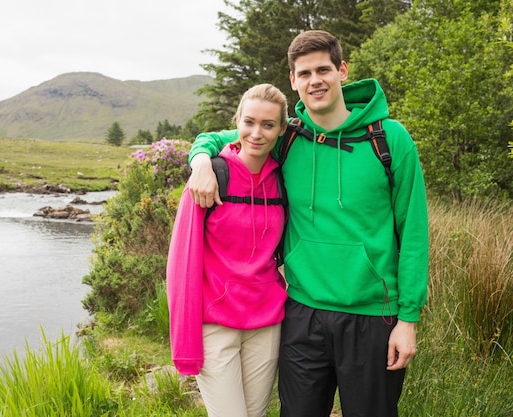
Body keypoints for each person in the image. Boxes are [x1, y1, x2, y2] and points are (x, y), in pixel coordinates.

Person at [186, 30, 429, 417]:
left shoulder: (390, 140)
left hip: (372, 316)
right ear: (293, 81)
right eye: (304, 73)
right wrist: (200, 161)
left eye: (323, 69)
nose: (315, 80)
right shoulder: (286, 136)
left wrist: (408, 319)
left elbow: (414, 233)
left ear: (342, 71)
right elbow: (222, 137)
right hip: (301, 313)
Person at [167, 83, 290, 417]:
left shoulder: (284, 174)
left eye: (268, 125)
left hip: (266, 322)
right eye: (248, 122)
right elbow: (182, 265)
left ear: (282, 129)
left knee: (256, 414)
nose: (256, 133)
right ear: (236, 121)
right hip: (215, 324)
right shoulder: (210, 176)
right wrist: (201, 160)